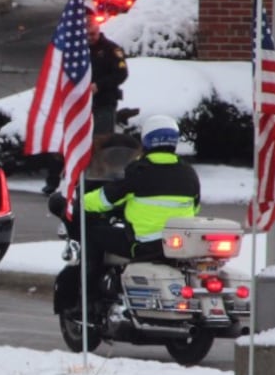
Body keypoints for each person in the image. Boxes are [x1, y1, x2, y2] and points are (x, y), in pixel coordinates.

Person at [48, 115, 199, 307]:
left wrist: (74, 201)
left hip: (143, 244)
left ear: (147, 140)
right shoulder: (188, 172)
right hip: (177, 245)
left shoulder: (140, 170)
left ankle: (89, 298)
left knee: (92, 234)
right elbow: (194, 207)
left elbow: (105, 199)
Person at [40, 17, 131, 193]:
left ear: (99, 31)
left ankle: (97, 182)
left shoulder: (111, 50)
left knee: (100, 142)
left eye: (93, 34)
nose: (91, 38)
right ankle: (54, 181)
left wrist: (99, 85)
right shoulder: (75, 51)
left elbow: (121, 74)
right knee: (67, 142)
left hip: (103, 103)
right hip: (77, 104)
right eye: (87, 35)